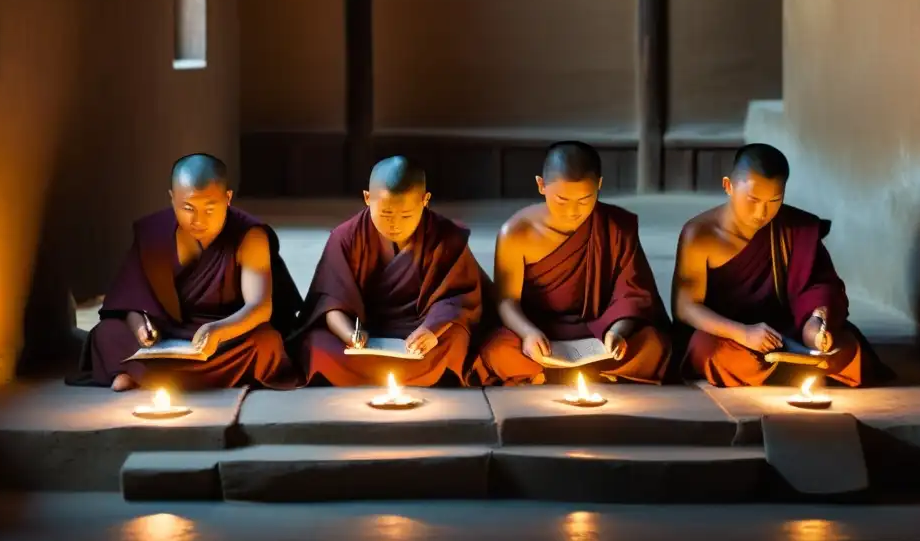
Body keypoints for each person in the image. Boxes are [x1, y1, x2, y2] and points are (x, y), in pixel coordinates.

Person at [73, 154, 302, 391]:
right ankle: (167, 375)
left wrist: (219, 330)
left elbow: (259, 307)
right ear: (172, 199)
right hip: (166, 332)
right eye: (188, 208)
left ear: (228, 199)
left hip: (227, 332)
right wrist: (141, 328)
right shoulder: (154, 233)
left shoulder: (249, 236)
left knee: (265, 342)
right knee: (107, 333)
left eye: (210, 208)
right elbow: (130, 300)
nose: (198, 220)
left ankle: (142, 375)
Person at [673, 143, 887, 387]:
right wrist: (743, 333)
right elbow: (686, 307)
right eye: (752, 200)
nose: (762, 212)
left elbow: (819, 285)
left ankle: (792, 366)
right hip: (728, 332)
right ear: (728, 186)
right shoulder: (700, 234)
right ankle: (802, 370)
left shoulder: (795, 227)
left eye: (774, 200)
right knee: (710, 352)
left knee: (848, 349)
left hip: (787, 330)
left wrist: (816, 324)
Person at [475, 141, 672, 385]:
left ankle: (547, 376)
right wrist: (528, 333)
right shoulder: (517, 233)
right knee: (498, 350)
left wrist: (617, 332)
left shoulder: (616, 226)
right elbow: (507, 301)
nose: (573, 210)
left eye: (585, 199)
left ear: (599, 185)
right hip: (540, 330)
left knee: (653, 345)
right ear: (541, 185)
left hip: (598, 329)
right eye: (561, 199)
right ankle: (594, 374)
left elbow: (632, 295)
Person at [293, 156, 483, 386]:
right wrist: (349, 336)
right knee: (317, 345)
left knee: (455, 340)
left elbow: (458, 298)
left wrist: (431, 330)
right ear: (367, 198)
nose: (395, 224)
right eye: (385, 214)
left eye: (405, 215)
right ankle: (412, 375)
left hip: (419, 332)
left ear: (425, 200)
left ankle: (372, 374)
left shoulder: (446, 236)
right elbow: (329, 302)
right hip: (364, 333)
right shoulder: (346, 237)